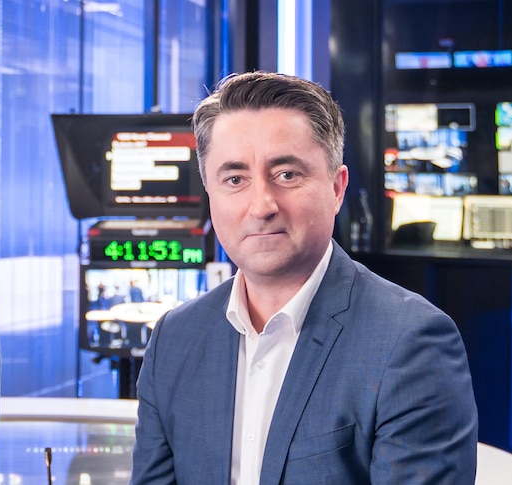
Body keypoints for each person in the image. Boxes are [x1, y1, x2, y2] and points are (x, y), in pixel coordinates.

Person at [130, 71, 478, 484]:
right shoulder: (176, 336)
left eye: (287, 175)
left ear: (336, 187)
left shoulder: (410, 342)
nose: (261, 205)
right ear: (210, 192)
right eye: (235, 179)